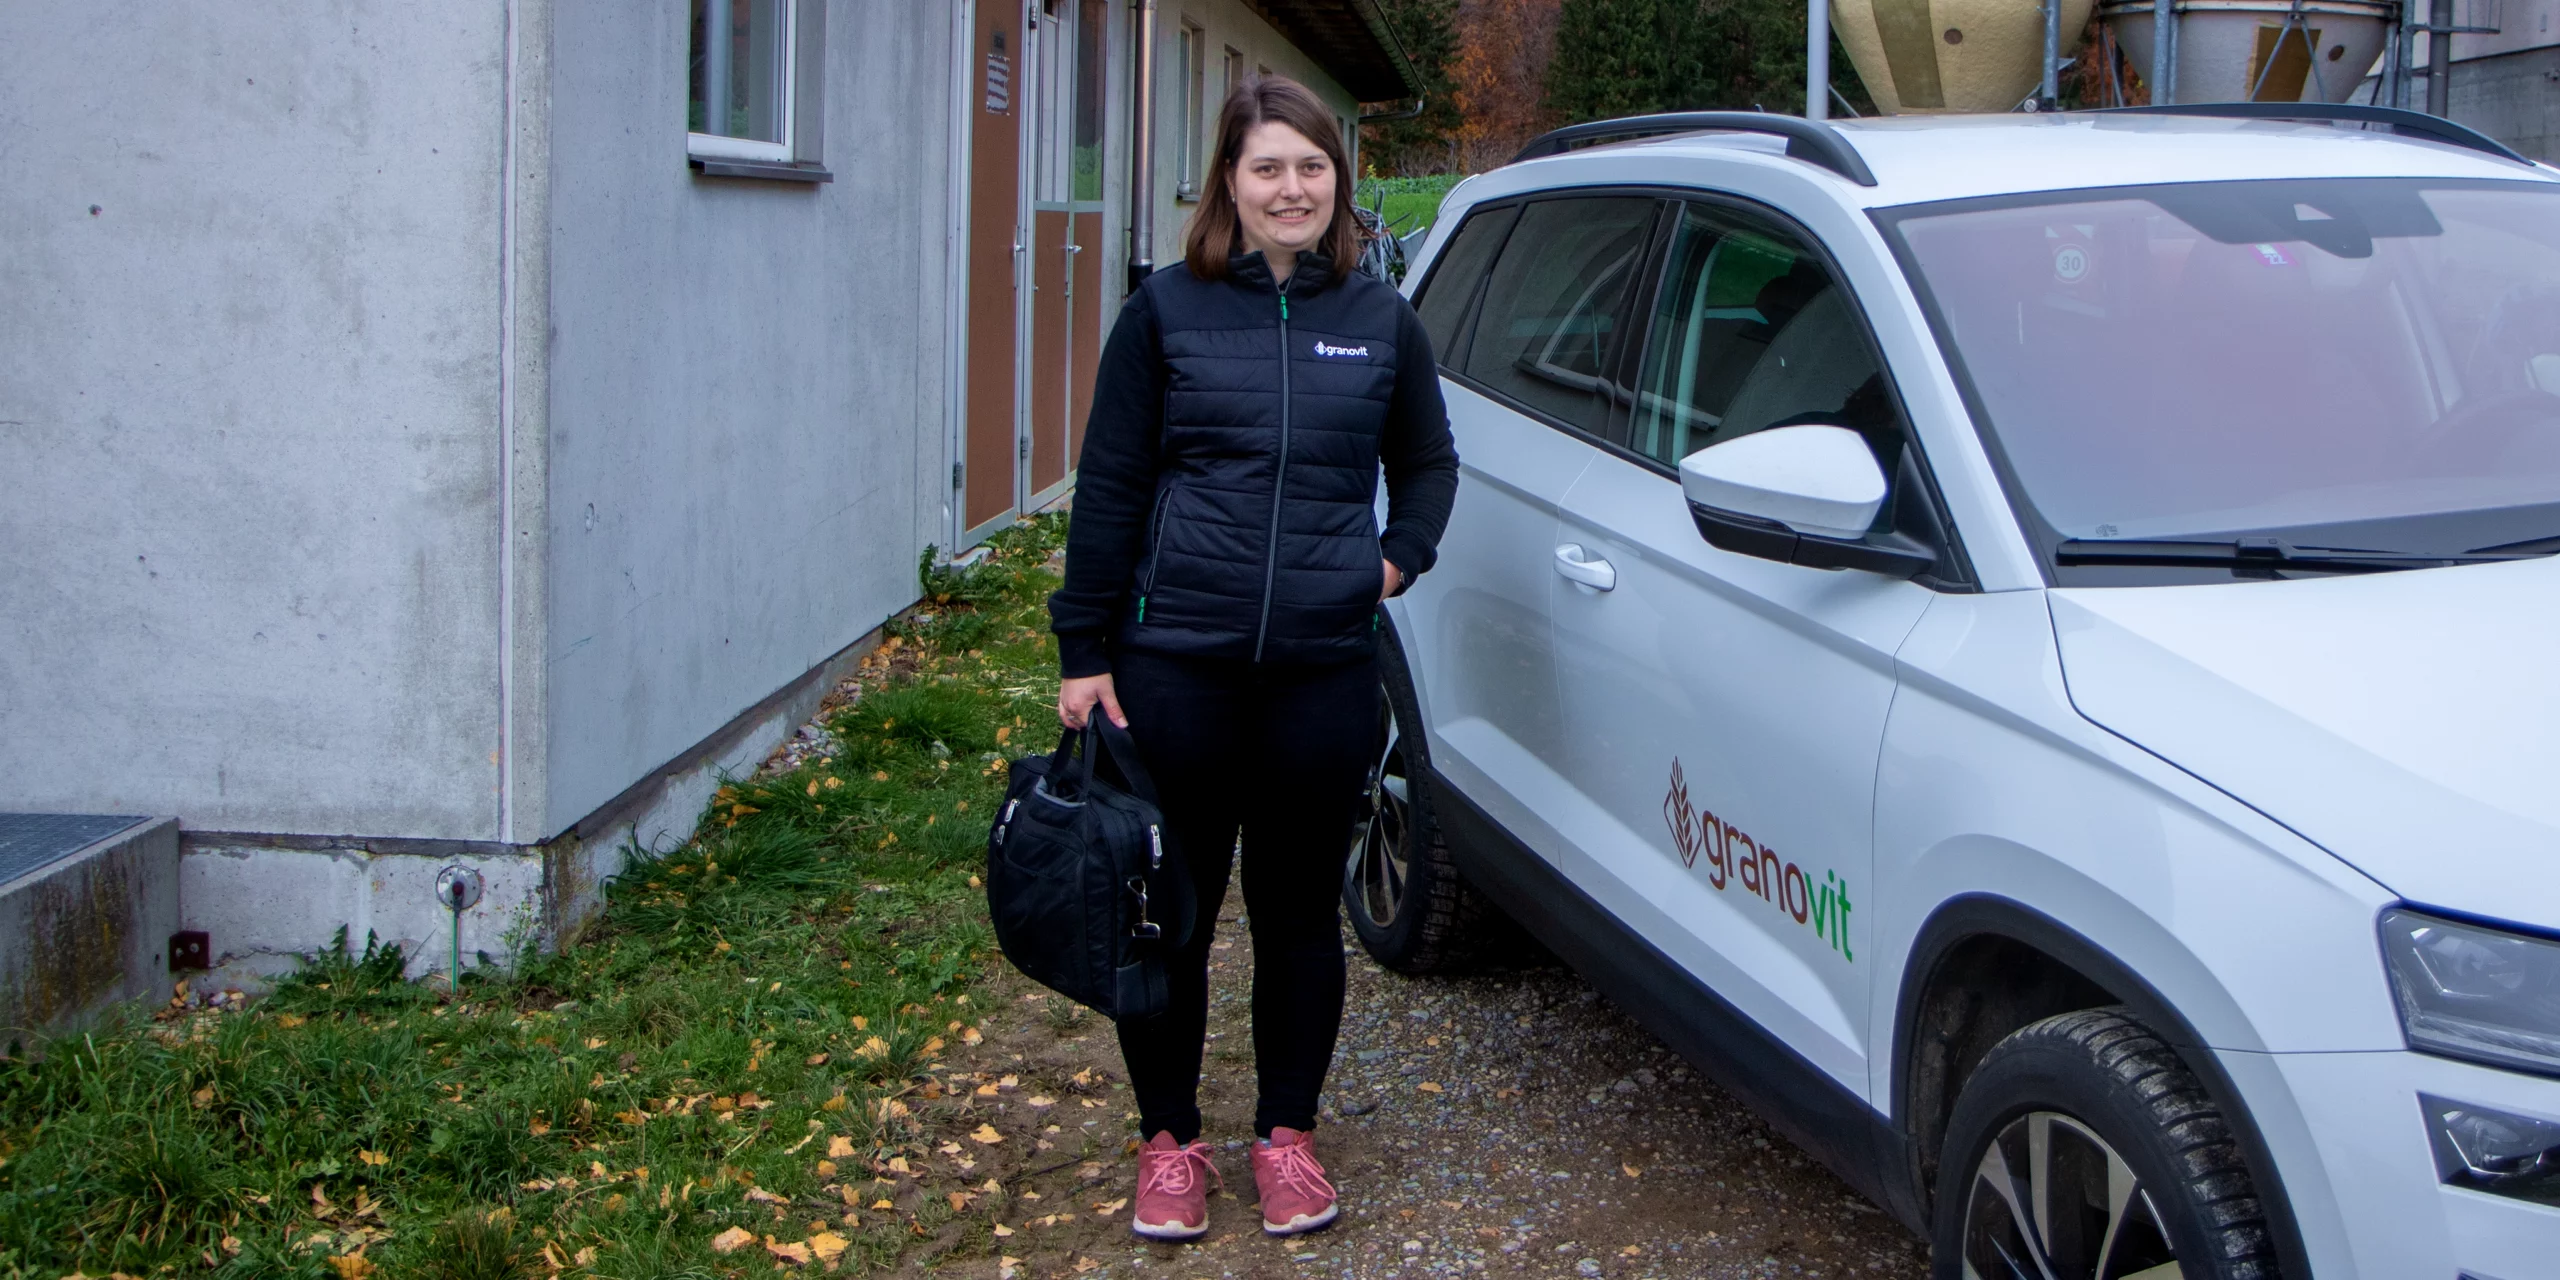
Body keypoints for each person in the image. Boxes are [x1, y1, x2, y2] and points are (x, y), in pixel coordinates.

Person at [1047, 75, 1459, 1241]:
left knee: (1296, 918)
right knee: (1167, 914)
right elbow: (1113, 485)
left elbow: (1429, 464)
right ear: (1229, 179)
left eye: (1312, 166)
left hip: (1321, 674)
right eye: (1267, 166)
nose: (1291, 188)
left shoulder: (1380, 320)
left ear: (1339, 181)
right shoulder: (1165, 313)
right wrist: (1085, 648)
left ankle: (1287, 1133)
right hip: (1175, 664)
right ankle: (1168, 1141)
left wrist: (1392, 563)